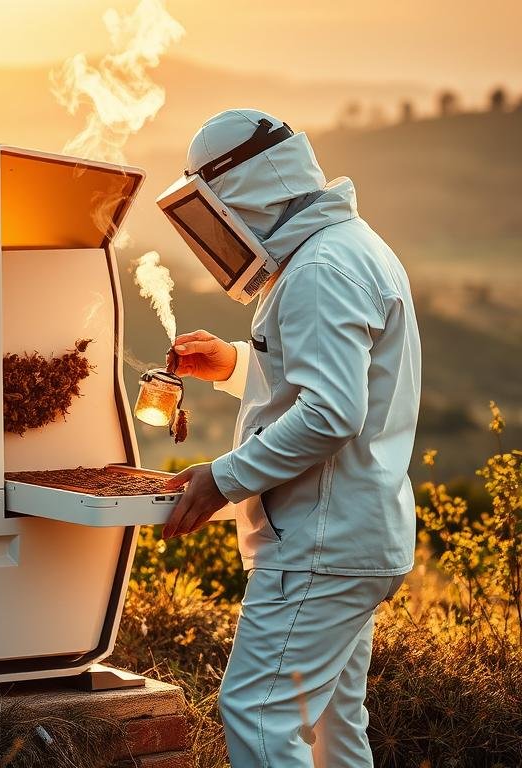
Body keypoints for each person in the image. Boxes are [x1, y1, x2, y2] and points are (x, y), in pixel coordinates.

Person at [158, 108, 421, 767]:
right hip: (356, 537)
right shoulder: (349, 248)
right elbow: (321, 381)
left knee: (258, 714)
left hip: (320, 546)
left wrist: (221, 478)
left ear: (241, 192)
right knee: (338, 727)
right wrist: (232, 364)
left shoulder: (318, 269)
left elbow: (331, 414)